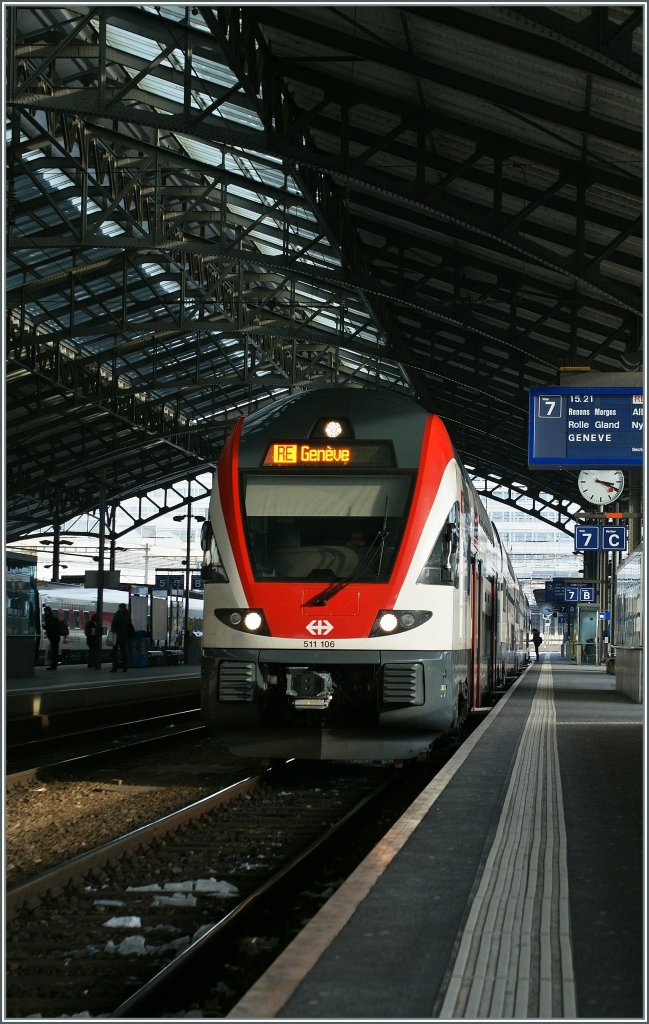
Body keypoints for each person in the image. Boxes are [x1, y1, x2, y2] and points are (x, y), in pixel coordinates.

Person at [110, 602, 134, 673]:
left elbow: (113, 625)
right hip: (125, 636)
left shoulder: (118, 614)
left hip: (117, 636)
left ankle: (115, 668)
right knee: (124, 652)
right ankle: (125, 668)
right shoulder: (127, 615)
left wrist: (113, 631)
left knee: (115, 652)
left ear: (120, 607)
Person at [42, 605, 61, 670]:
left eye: (45, 611)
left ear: (47, 611)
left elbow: (50, 627)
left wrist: (44, 626)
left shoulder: (49, 618)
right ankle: (54, 665)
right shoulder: (53, 618)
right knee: (55, 651)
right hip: (56, 637)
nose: (44, 613)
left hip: (53, 637)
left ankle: (53, 666)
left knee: (54, 651)